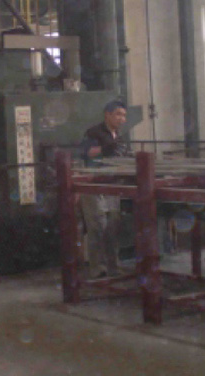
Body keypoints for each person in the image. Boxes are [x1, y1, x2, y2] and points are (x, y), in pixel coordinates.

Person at [79, 99, 130, 278]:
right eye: (118, 114)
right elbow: (87, 152)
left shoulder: (120, 136)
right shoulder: (94, 132)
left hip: (112, 184)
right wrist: (106, 148)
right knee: (97, 226)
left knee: (112, 227)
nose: (122, 119)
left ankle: (113, 266)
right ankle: (98, 268)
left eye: (124, 115)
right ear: (107, 115)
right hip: (93, 184)